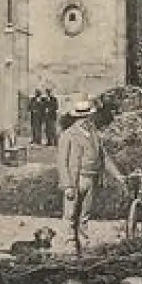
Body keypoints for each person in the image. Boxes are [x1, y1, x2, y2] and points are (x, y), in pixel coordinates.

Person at [57, 98, 125, 250]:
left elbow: (104, 157)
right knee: (70, 214)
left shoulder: (94, 134)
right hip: (75, 179)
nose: (85, 120)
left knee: (85, 214)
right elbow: (62, 162)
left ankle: (84, 242)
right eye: (82, 118)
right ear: (76, 118)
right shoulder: (68, 135)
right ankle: (69, 244)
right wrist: (67, 185)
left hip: (91, 178)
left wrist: (118, 175)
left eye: (87, 117)